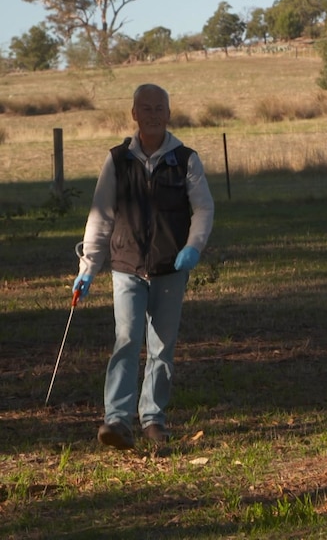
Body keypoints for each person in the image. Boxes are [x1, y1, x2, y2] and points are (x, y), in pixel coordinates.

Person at [73, 83, 215, 450]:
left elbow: (203, 208)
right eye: (145, 108)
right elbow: (101, 215)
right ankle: (117, 421)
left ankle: (153, 419)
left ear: (169, 114)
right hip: (126, 267)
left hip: (171, 268)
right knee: (126, 339)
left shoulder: (186, 159)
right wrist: (88, 268)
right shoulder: (117, 160)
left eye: (159, 108)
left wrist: (193, 247)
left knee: (162, 347)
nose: (152, 114)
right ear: (134, 113)